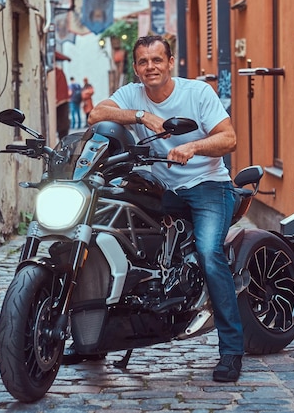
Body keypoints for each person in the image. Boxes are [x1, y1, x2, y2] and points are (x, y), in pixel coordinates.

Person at [88, 35, 243, 382]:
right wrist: (141, 116)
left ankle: (232, 351)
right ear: (136, 67)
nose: (150, 68)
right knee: (109, 235)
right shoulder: (133, 93)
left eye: (157, 60)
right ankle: (94, 338)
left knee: (208, 252)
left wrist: (193, 147)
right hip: (161, 187)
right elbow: (96, 114)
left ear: (171, 62)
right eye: (143, 62)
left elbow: (228, 138)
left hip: (207, 185)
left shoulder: (197, 93)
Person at [55, 65, 71, 140]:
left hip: (61, 104)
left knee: (62, 128)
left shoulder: (58, 72)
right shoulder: (58, 72)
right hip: (61, 103)